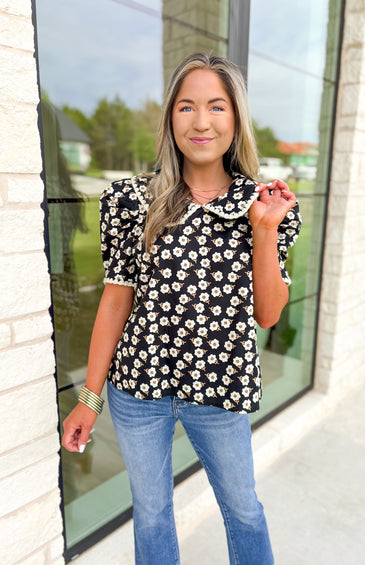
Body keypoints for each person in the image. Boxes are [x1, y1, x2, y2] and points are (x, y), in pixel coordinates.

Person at [62, 53, 301, 565]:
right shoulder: (133, 200)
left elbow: (268, 314)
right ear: (171, 118)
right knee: (151, 515)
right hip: (138, 393)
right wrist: (90, 397)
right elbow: (115, 301)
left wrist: (264, 229)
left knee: (243, 511)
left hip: (219, 392)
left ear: (235, 118)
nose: (201, 121)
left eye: (216, 106)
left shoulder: (262, 203)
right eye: (186, 106)